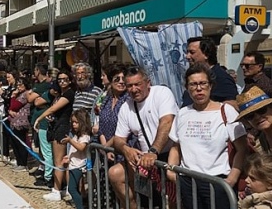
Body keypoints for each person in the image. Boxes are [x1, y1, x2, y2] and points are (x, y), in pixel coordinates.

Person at [167, 63, 247, 209]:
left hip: (217, 183)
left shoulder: (226, 111)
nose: (198, 88)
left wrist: (232, 179)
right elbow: (176, 146)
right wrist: (171, 171)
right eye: (193, 84)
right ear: (187, 88)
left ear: (210, 86)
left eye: (203, 83)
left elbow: (242, 148)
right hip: (187, 181)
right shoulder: (183, 112)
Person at [109, 65, 178, 209]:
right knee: (115, 174)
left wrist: (153, 151)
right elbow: (118, 138)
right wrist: (126, 150)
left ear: (148, 83)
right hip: (146, 159)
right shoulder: (126, 106)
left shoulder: (161, 93)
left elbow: (166, 122)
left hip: (170, 154)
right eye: (129, 86)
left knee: (174, 199)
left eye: (137, 84)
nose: (133, 89)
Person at [34, 71, 75, 202]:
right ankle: (62, 188)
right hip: (56, 127)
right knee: (61, 161)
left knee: (59, 162)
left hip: (62, 129)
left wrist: (39, 119)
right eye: (60, 79)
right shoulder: (60, 94)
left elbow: (53, 109)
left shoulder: (69, 94)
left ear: (70, 80)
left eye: (65, 79)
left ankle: (56, 190)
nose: (62, 81)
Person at [182, 36, 238, 106]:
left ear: (206, 54)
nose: (187, 56)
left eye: (192, 52)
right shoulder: (191, 75)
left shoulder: (222, 78)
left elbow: (232, 106)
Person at [98, 63, 132, 162]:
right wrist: (104, 148)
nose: (121, 82)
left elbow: (125, 129)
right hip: (105, 150)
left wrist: (106, 147)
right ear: (111, 80)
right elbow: (101, 126)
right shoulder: (107, 99)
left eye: (123, 79)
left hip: (123, 150)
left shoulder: (129, 100)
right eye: (117, 79)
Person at [28, 64, 53, 187]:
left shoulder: (47, 87)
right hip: (38, 122)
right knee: (41, 150)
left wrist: (33, 94)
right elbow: (34, 100)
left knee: (46, 151)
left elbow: (34, 100)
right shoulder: (41, 87)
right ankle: (43, 170)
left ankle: (48, 177)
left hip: (44, 123)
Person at [61, 109, 91, 209]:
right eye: (72, 122)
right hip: (73, 164)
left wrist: (70, 141)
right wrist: (68, 157)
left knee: (72, 189)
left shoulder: (85, 136)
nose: (73, 124)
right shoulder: (76, 136)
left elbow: (81, 147)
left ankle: (80, 206)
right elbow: (74, 150)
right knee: (74, 188)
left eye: (76, 122)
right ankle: (80, 204)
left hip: (78, 166)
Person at [7, 77, 31, 172]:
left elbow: (14, 106)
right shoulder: (19, 94)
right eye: (17, 85)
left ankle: (23, 163)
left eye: (21, 85)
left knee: (20, 143)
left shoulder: (25, 94)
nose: (19, 87)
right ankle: (19, 161)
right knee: (14, 143)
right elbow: (11, 107)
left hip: (21, 122)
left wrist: (13, 96)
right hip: (14, 121)